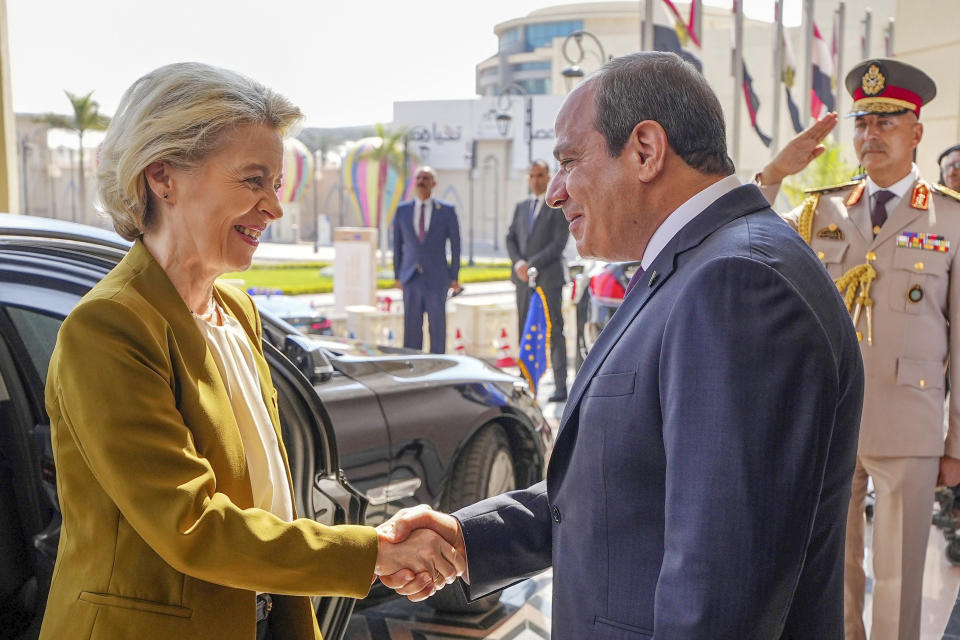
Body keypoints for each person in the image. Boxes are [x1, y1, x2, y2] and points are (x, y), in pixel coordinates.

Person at [378, 51, 864, 638]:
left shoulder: (736, 284)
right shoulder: (696, 266)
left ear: (645, 150)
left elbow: (719, 590)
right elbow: (630, 483)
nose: (555, 192)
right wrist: (469, 537)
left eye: (568, 161)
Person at [40, 62, 463, 640]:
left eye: (276, 184)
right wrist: (372, 553)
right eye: (252, 180)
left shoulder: (235, 312)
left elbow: (267, 504)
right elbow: (192, 524)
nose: (274, 207)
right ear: (162, 176)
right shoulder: (109, 328)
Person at [754, 58, 960, 640]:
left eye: (886, 121)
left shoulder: (950, 217)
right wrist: (774, 171)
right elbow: (745, 233)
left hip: (910, 426)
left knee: (897, 585)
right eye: (863, 121)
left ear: (916, 131)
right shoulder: (821, 209)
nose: (870, 133)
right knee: (828, 581)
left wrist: (956, 442)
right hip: (827, 424)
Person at [506, 160, 570, 401]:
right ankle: (525, 381)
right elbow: (510, 238)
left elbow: (559, 243)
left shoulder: (557, 206)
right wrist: (519, 263)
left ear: (549, 176)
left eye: (541, 175)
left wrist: (532, 263)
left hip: (549, 280)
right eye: (532, 176)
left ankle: (561, 386)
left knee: (554, 332)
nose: (536, 180)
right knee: (525, 330)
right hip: (523, 281)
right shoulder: (521, 207)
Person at [392, 167, 461, 353]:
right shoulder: (402, 211)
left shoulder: (446, 211)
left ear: (434, 183)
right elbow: (397, 246)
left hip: (437, 278)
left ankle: (438, 366)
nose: (422, 181)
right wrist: (397, 275)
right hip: (411, 278)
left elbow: (455, 246)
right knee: (411, 328)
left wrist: (454, 277)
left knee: (437, 328)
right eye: (419, 178)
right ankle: (412, 366)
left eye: (426, 178)